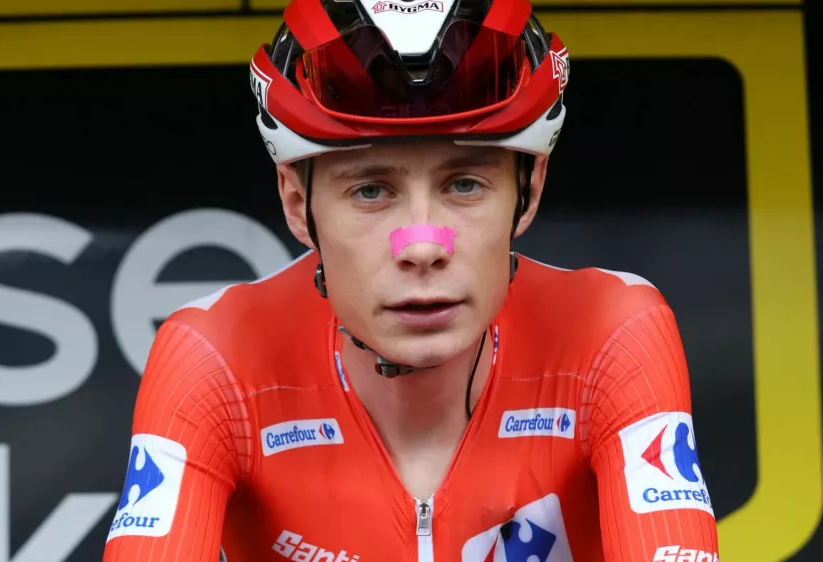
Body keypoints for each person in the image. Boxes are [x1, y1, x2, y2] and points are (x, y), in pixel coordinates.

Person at [102, 0, 721, 558]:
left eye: (465, 185)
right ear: (298, 204)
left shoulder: (612, 336)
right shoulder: (214, 359)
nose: (423, 245)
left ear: (527, 195)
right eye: (371, 190)